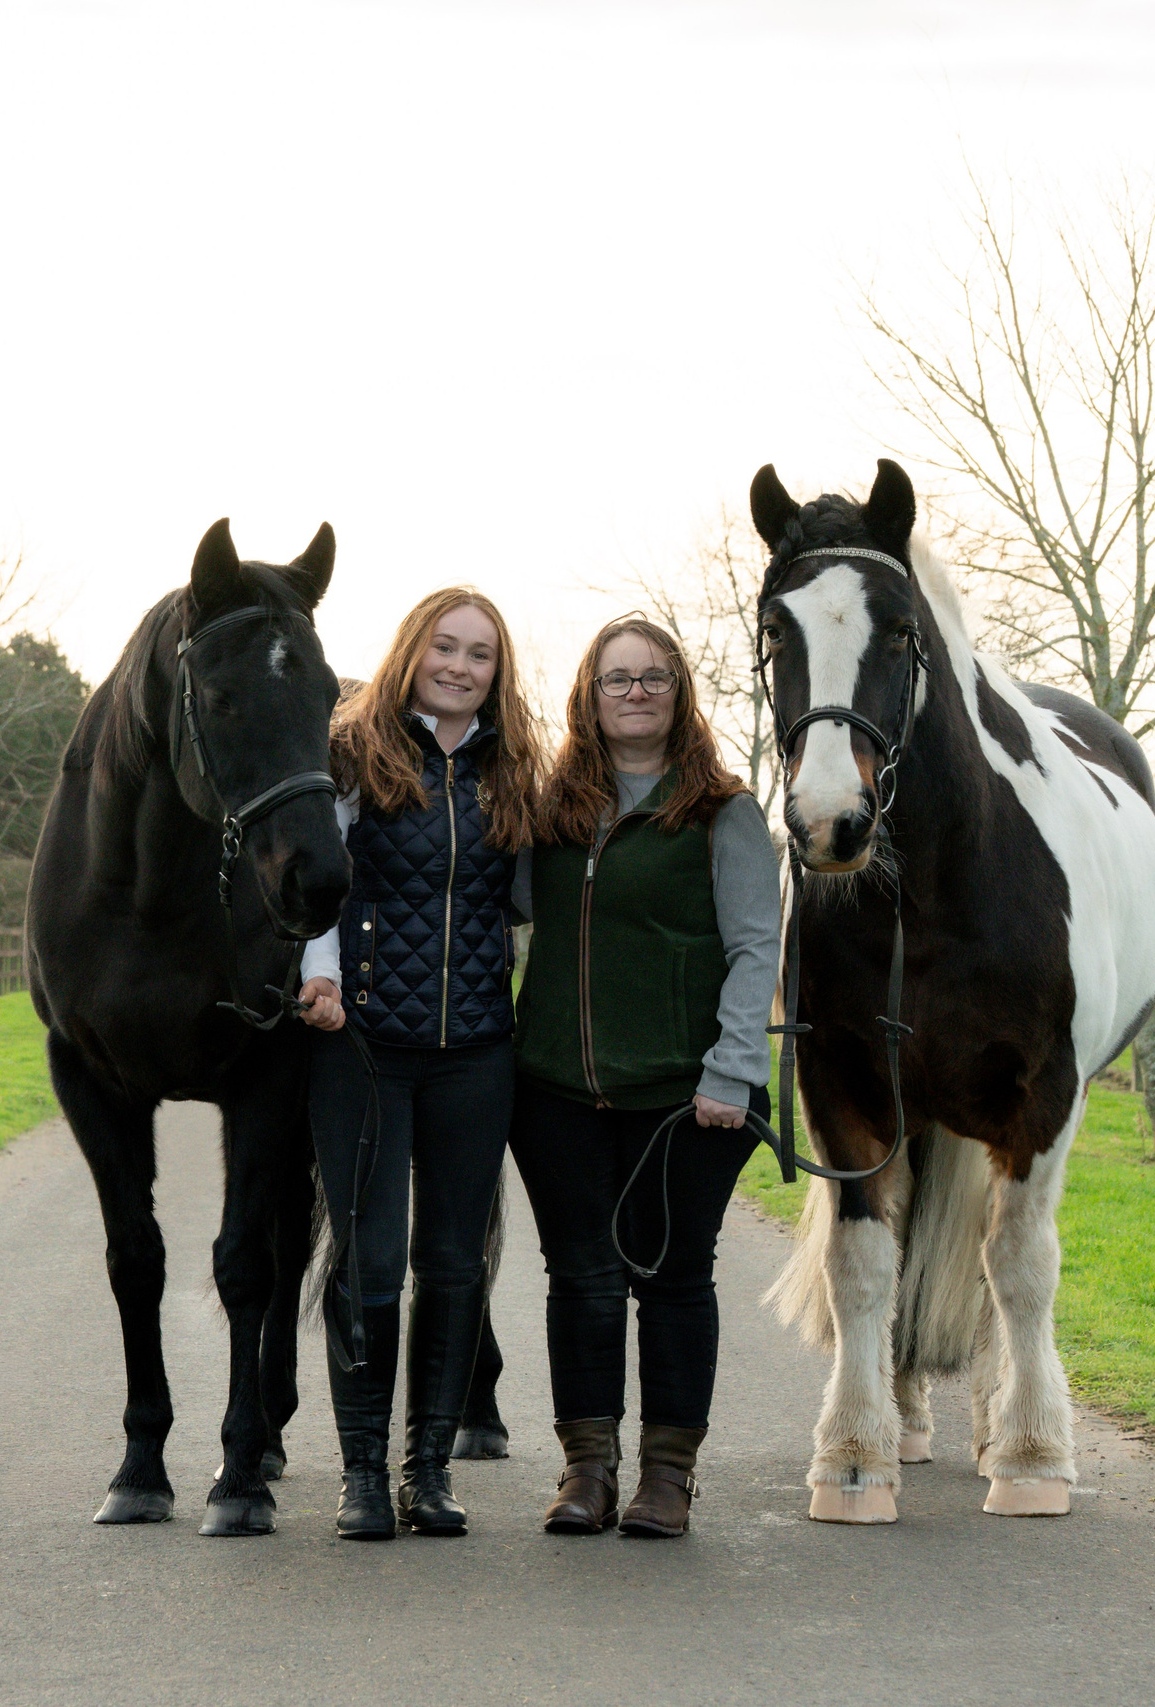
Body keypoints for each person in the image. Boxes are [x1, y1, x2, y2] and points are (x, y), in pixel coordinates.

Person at [508, 615, 782, 1539]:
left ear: (680, 693)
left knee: (671, 1279)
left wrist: (734, 1070)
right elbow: (484, 911)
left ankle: (667, 1477)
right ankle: (586, 1468)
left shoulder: (723, 812)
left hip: (686, 1100)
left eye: (653, 677)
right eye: (616, 678)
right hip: (554, 1093)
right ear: (588, 694)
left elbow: (755, 950)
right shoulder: (547, 811)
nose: (635, 691)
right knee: (578, 1279)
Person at [296, 588, 544, 1540]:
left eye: (479, 654)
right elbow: (322, 878)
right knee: (368, 1257)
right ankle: (362, 1473)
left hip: (476, 1050)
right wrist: (319, 976)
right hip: (361, 1050)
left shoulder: (517, 766)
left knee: (454, 1264)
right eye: (444, 645)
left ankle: (428, 1470)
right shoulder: (354, 750)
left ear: (497, 671)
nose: (458, 664)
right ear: (413, 650)